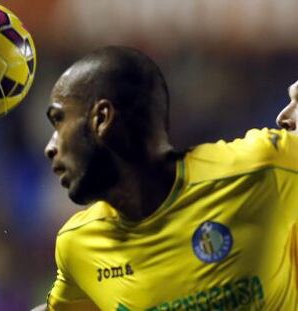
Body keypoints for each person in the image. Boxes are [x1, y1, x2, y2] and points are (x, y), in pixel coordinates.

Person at [37, 46, 298, 311]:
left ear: (102, 118)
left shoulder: (262, 171)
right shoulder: (78, 245)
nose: (51, 146)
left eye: (58, 121)